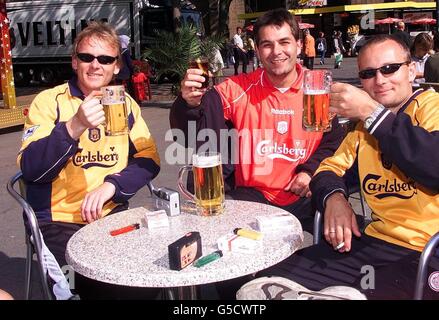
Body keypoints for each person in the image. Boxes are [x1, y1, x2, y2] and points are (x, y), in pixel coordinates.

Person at [240, 34, 439, 300]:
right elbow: (327, 170)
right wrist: (334, 197)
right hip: (373, 242)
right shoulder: (361, 130)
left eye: (390, 69)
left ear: (412, 69)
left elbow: (433, 166)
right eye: (368, 73)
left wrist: (372, 114)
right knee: (266, 282)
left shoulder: (431, 107)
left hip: (427, 251)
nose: (379, 80)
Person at [170, 8, 344, 235]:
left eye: (284, 42)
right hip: (251, 198)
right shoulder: (236, 89)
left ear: (299, 45)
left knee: (351, 237)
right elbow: (192, 134)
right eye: (267, 45)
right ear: (257, 50)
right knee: (214, 244)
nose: (277, 52)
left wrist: (310, 171)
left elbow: (334, 141)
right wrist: (189, 104)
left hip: (304, 196)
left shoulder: (318, 89)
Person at [18, 21, 160, 298]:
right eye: (87, 57)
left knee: (147, 280)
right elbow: (31, 170)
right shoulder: (49, 102)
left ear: (116, 66)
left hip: (111, 216)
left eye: (105, 59)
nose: (96, 65)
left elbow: (149, 158)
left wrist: (113, 186)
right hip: (56, 222)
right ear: (74, 62)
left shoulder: (125, 103)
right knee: (77, 290)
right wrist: (74, 127)